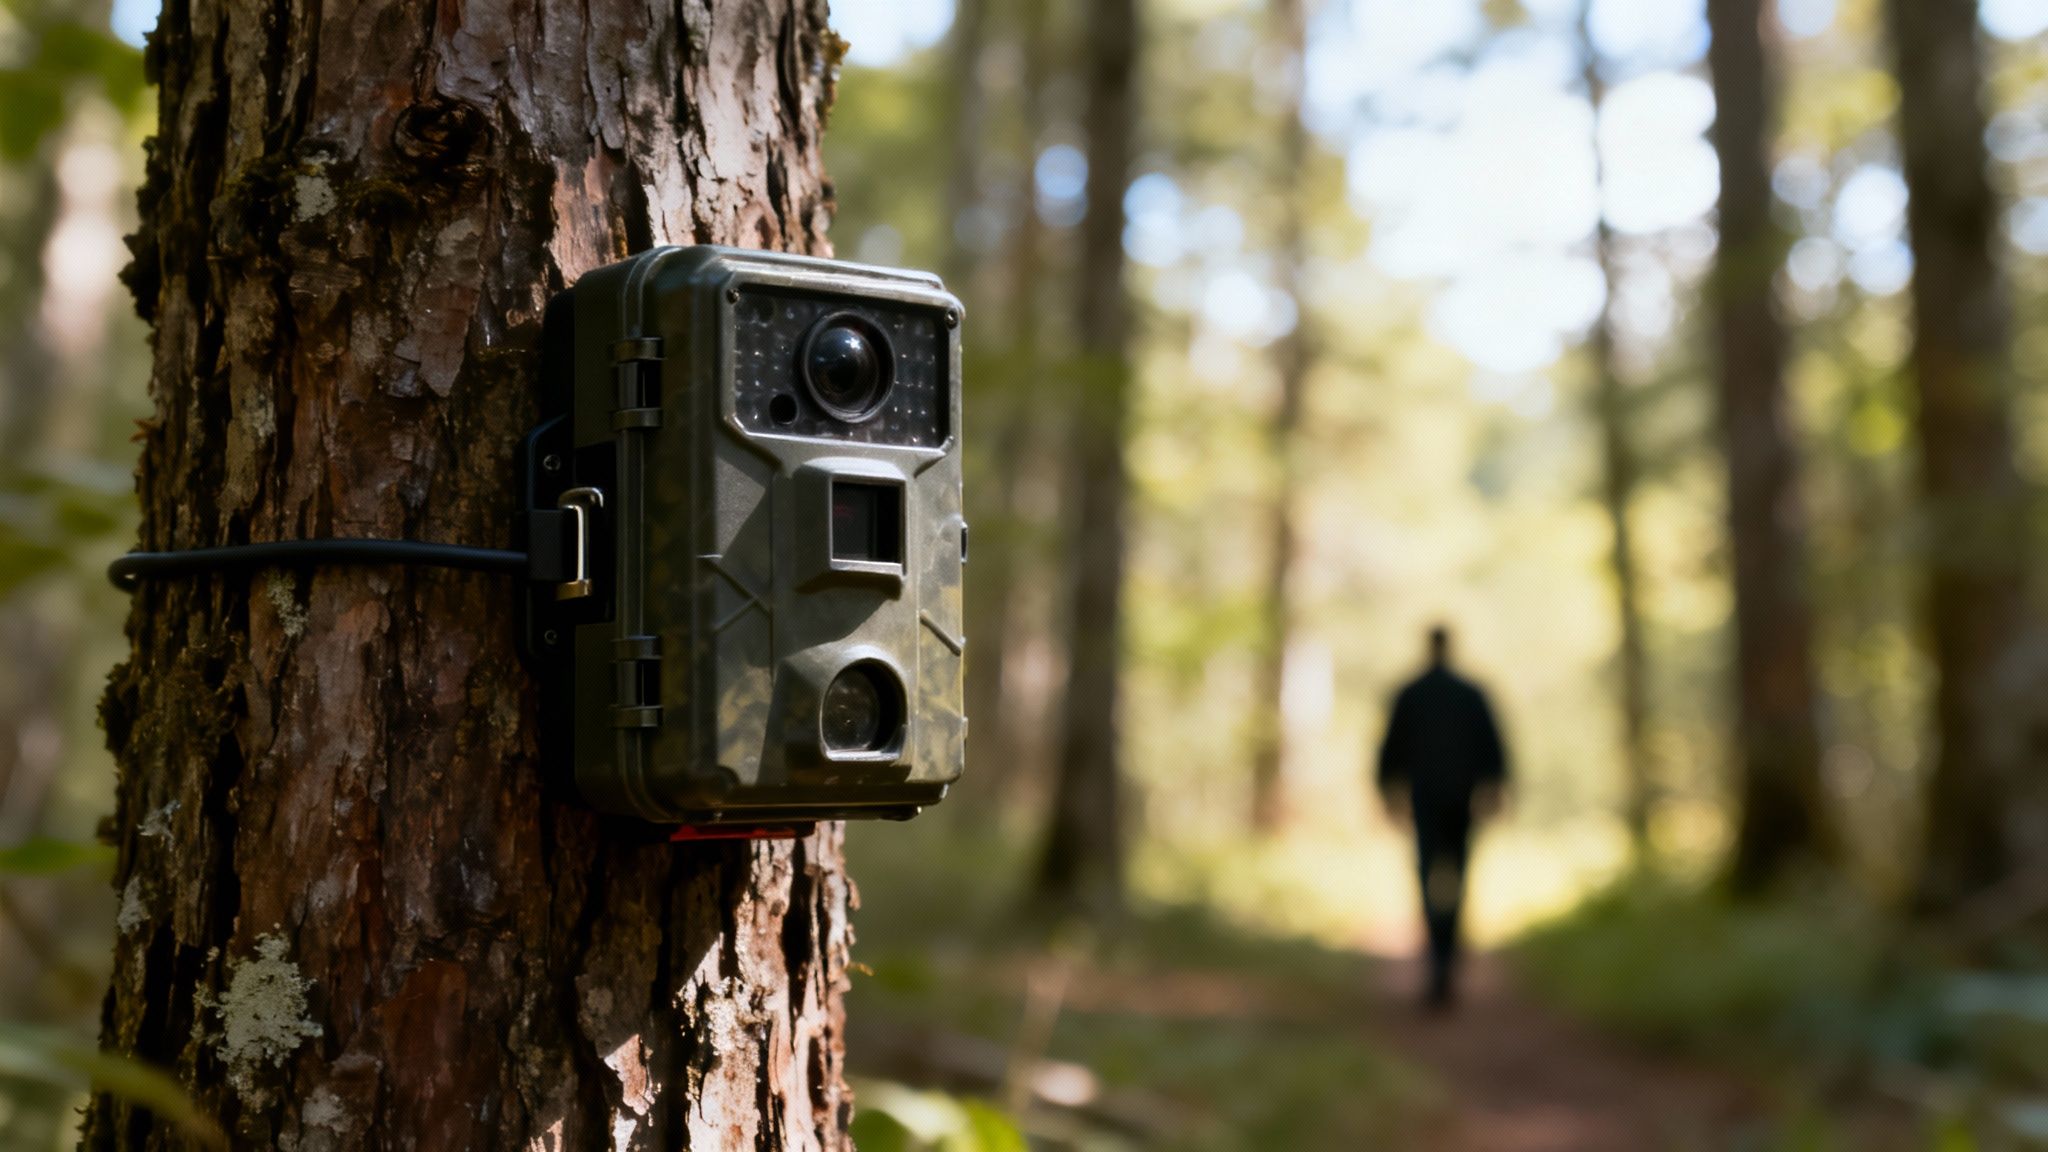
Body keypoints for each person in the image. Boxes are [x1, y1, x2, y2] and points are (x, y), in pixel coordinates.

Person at [1375, 625, 1508, 1010]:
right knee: (1458, 878)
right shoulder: (1470, 694)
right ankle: (1445, 958)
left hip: (1427, 803)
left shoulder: (1411, 694)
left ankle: (1440, 959)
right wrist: (1495, 789)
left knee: (1428, 876)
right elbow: (1494, 749)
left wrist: (1388, 794)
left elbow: (1389, 752)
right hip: (1458, 802)